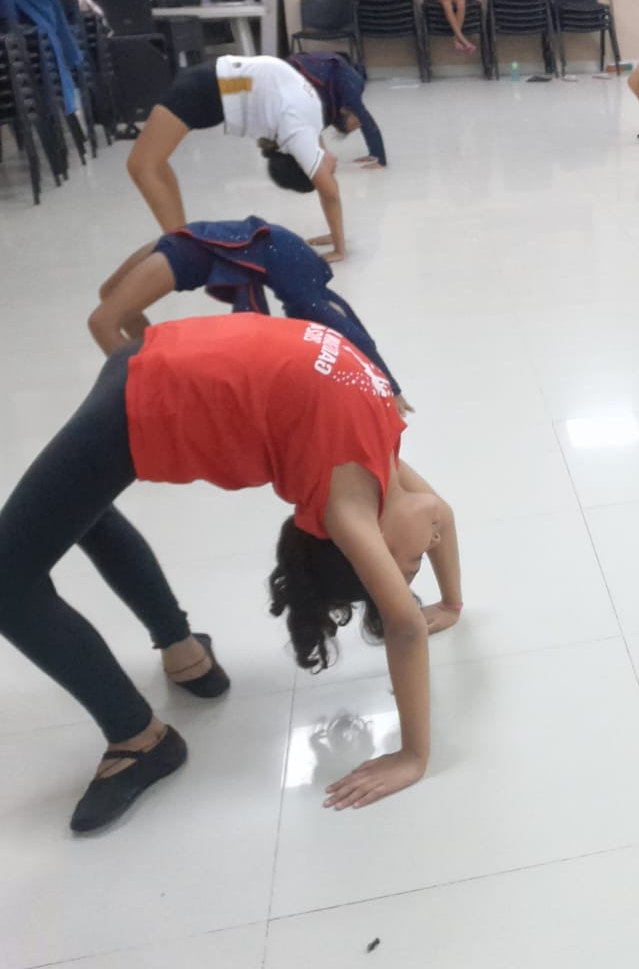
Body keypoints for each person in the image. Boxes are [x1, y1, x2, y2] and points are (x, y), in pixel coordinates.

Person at [0, 313, 461, 833]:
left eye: (410, 564)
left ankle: (174, 670)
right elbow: (413, 602)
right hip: (148, 386)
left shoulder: (360, 477)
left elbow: (426, 559)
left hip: (146, 382)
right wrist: (414, 753)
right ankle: (146, 728)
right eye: (415, 564)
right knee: (17, 570)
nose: (431, 542)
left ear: (370, 546)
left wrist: (451, 609)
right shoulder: (365, 478)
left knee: (64, 518)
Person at [88, 216, 409, 411]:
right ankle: (148, 366)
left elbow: (343, 321)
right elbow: (343, 319)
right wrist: (388, 384)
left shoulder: (304, 291)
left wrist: (387, 385)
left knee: (102, 321)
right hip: (186, 241)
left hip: (188, 243)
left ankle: (149, 397)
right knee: (108, 299)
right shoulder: (306, 289)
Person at [125, 53, 386, 263]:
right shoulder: (306, 126)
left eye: (327, 171)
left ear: (301, 163)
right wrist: (338, 244)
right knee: (146, 165)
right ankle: (181, 245)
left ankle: (180, 242)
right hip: (213, 85)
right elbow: (329, 192)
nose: (334, 168)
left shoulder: (300, 132)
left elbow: (327, 190)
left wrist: (338, 244)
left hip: (211, 88)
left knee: (144, 165)